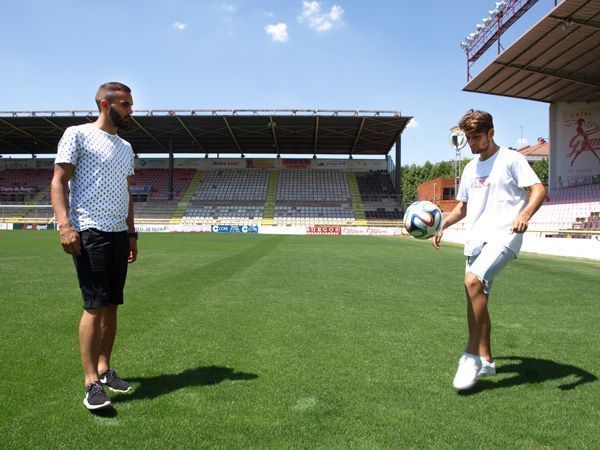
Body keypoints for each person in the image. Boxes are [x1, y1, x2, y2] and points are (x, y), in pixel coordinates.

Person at [432, 110, 546, 391]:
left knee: (473, 281)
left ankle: (470, 356)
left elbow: (539, 189)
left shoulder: (511, 159)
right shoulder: (470, 168)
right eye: (468, 138)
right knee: (476, 298)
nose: (472, 143)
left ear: (491, 133)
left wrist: (525, 214)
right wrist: (442, 224)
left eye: (476, 137)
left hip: (505, 235)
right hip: (476, 240)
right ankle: (488, 361)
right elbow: (463, 207)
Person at [51, 82, 138, 410]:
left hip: (117, 234)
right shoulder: (78, 134)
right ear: (106, 104)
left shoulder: (126, 147)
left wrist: (132, 234)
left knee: (112, 304)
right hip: (89, 231)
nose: (131, 110)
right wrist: (65, 226)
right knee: (94, 304)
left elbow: (128, 194)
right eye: (126, 105)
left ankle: (104, 369)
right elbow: (58, 182)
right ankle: (90, 383)